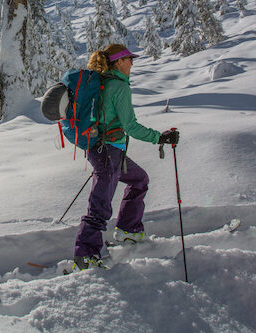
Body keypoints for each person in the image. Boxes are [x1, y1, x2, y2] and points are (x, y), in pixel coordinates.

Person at [73, 43, 179, 270]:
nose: (132, 63)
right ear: (119, 62)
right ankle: (86, 255)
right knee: (100, 204)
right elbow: (130, 126)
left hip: (104, 150)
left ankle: (128, 230)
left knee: (139, 179)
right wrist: (159, 138)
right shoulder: (119, 87)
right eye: (129, 59)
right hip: (108, 152)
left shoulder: (102, 82)